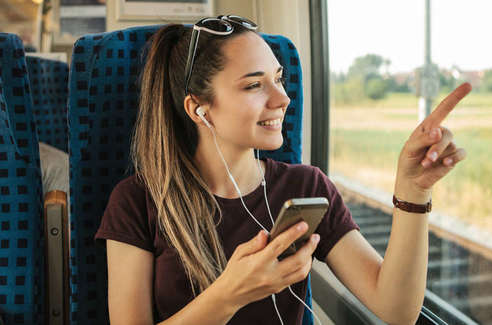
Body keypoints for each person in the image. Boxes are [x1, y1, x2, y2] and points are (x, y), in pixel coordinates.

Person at [95, 16, 470, 325]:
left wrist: (413, 192)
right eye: (255, 85)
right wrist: (230, 294)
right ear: (199, 109)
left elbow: (396, 309)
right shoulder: (138, 201)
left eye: (279, 79)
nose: (283, 98)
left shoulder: (307, 186)